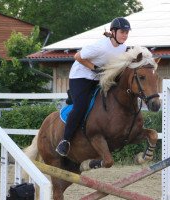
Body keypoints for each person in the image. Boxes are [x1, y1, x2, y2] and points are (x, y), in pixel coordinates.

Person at [56, 17, 131, 156]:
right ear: (113, 32)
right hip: (80, 77)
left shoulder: (123, 48)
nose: (125, 35)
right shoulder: (101, 46)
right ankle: (65, 141)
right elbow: (77, 56)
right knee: (81, 107)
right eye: (122, 32)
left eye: (127, 33)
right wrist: (94, 68)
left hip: (98, 78)